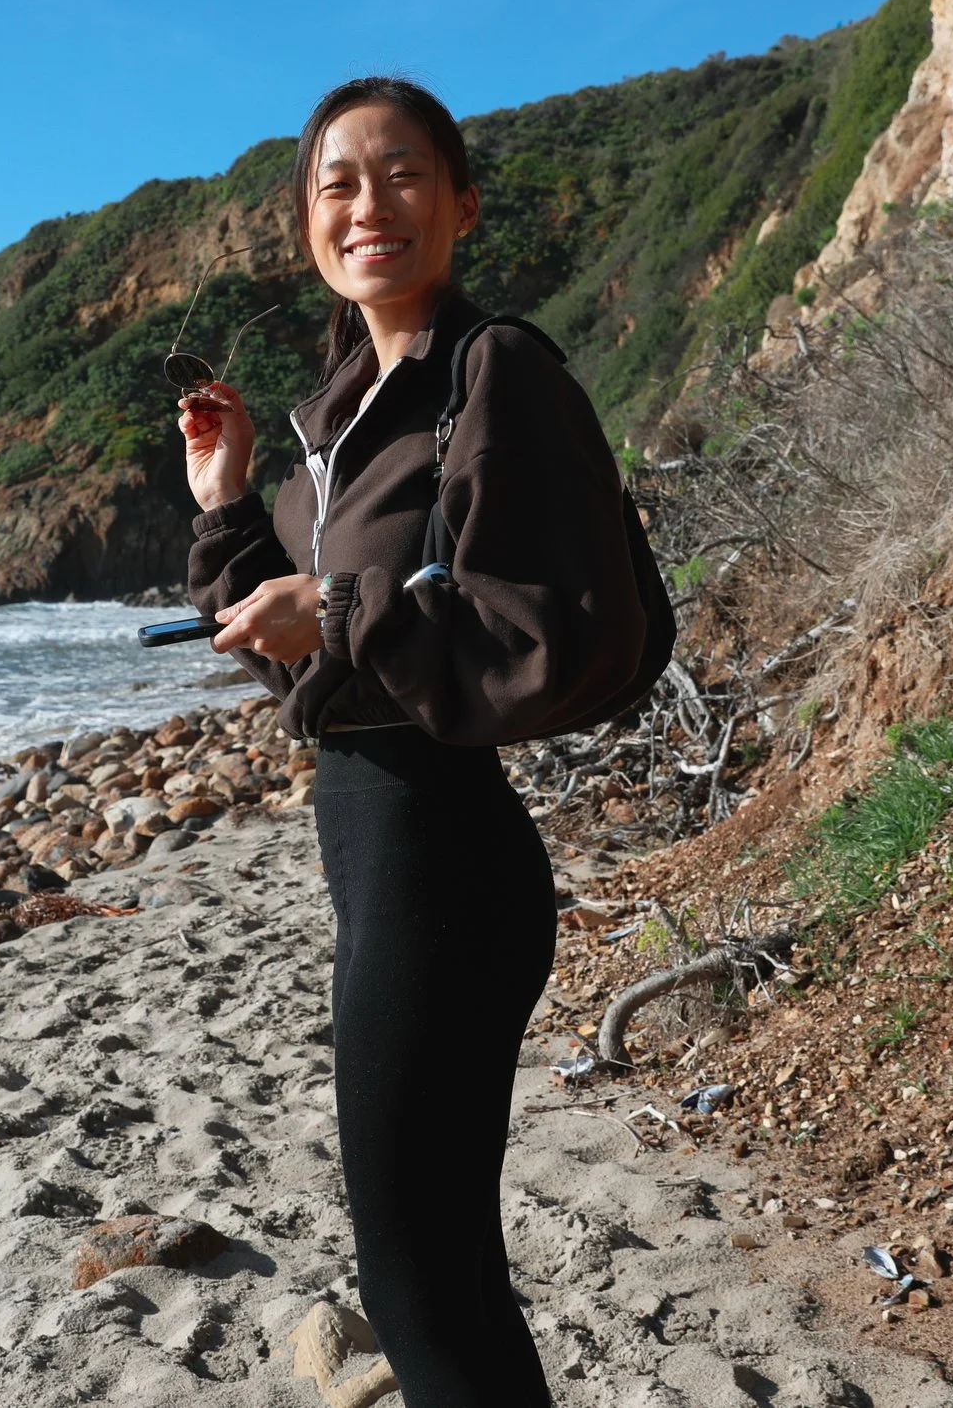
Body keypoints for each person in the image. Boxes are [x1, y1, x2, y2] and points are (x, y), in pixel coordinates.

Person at [180, 77, 658, 1407]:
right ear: (305, 224)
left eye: (400, 175)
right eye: (337, 182)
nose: (366, 204)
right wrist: (228, 508)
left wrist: (334, 604)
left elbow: (562, 628)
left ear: (460, 205)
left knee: (424, 1273)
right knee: (426, 1259)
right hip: (380, 851)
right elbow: (274, 639)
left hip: (445, 857)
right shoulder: (338, 420)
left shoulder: (493, 370)